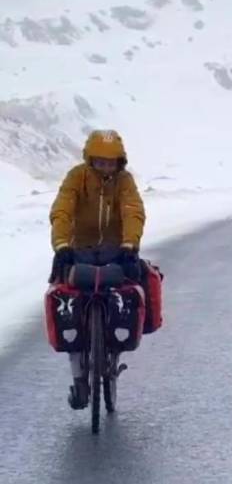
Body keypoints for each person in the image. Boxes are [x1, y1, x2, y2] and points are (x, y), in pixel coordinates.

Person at [49, 129, 146, 409]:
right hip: (79, 249)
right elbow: (62, 210)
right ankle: (80, 379)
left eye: (111, 162)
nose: (106, 167)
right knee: (69, 303)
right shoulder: (76, 177)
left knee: (130, 289)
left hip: (116, 249)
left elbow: (133, 210)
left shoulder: (125, 182)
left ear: (120, 162)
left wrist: (130, 245)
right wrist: (62, 245)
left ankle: (114, 346)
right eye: (100, 161)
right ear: (89, 160)